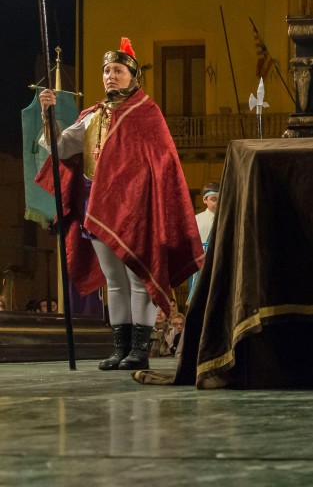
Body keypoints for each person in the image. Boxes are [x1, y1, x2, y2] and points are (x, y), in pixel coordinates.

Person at [36, 37, 204, 370]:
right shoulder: (91, 116)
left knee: (136, 278)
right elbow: (57, 146)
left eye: (118, 70)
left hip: (136, 211)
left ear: (132, 75)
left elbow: (160, 163)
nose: (111, 76)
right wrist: (47, 113)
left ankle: (140, 349)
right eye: (106, 71)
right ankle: (120, 347)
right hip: (97, 208)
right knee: (114, 281)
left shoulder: (147, 113)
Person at [188, 181, 220, 299]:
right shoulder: (196, 220)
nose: (218, 203)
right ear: (204, 200)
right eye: (214, 199)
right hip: (200, 263)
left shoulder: (228, 220)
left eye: (221, 199)